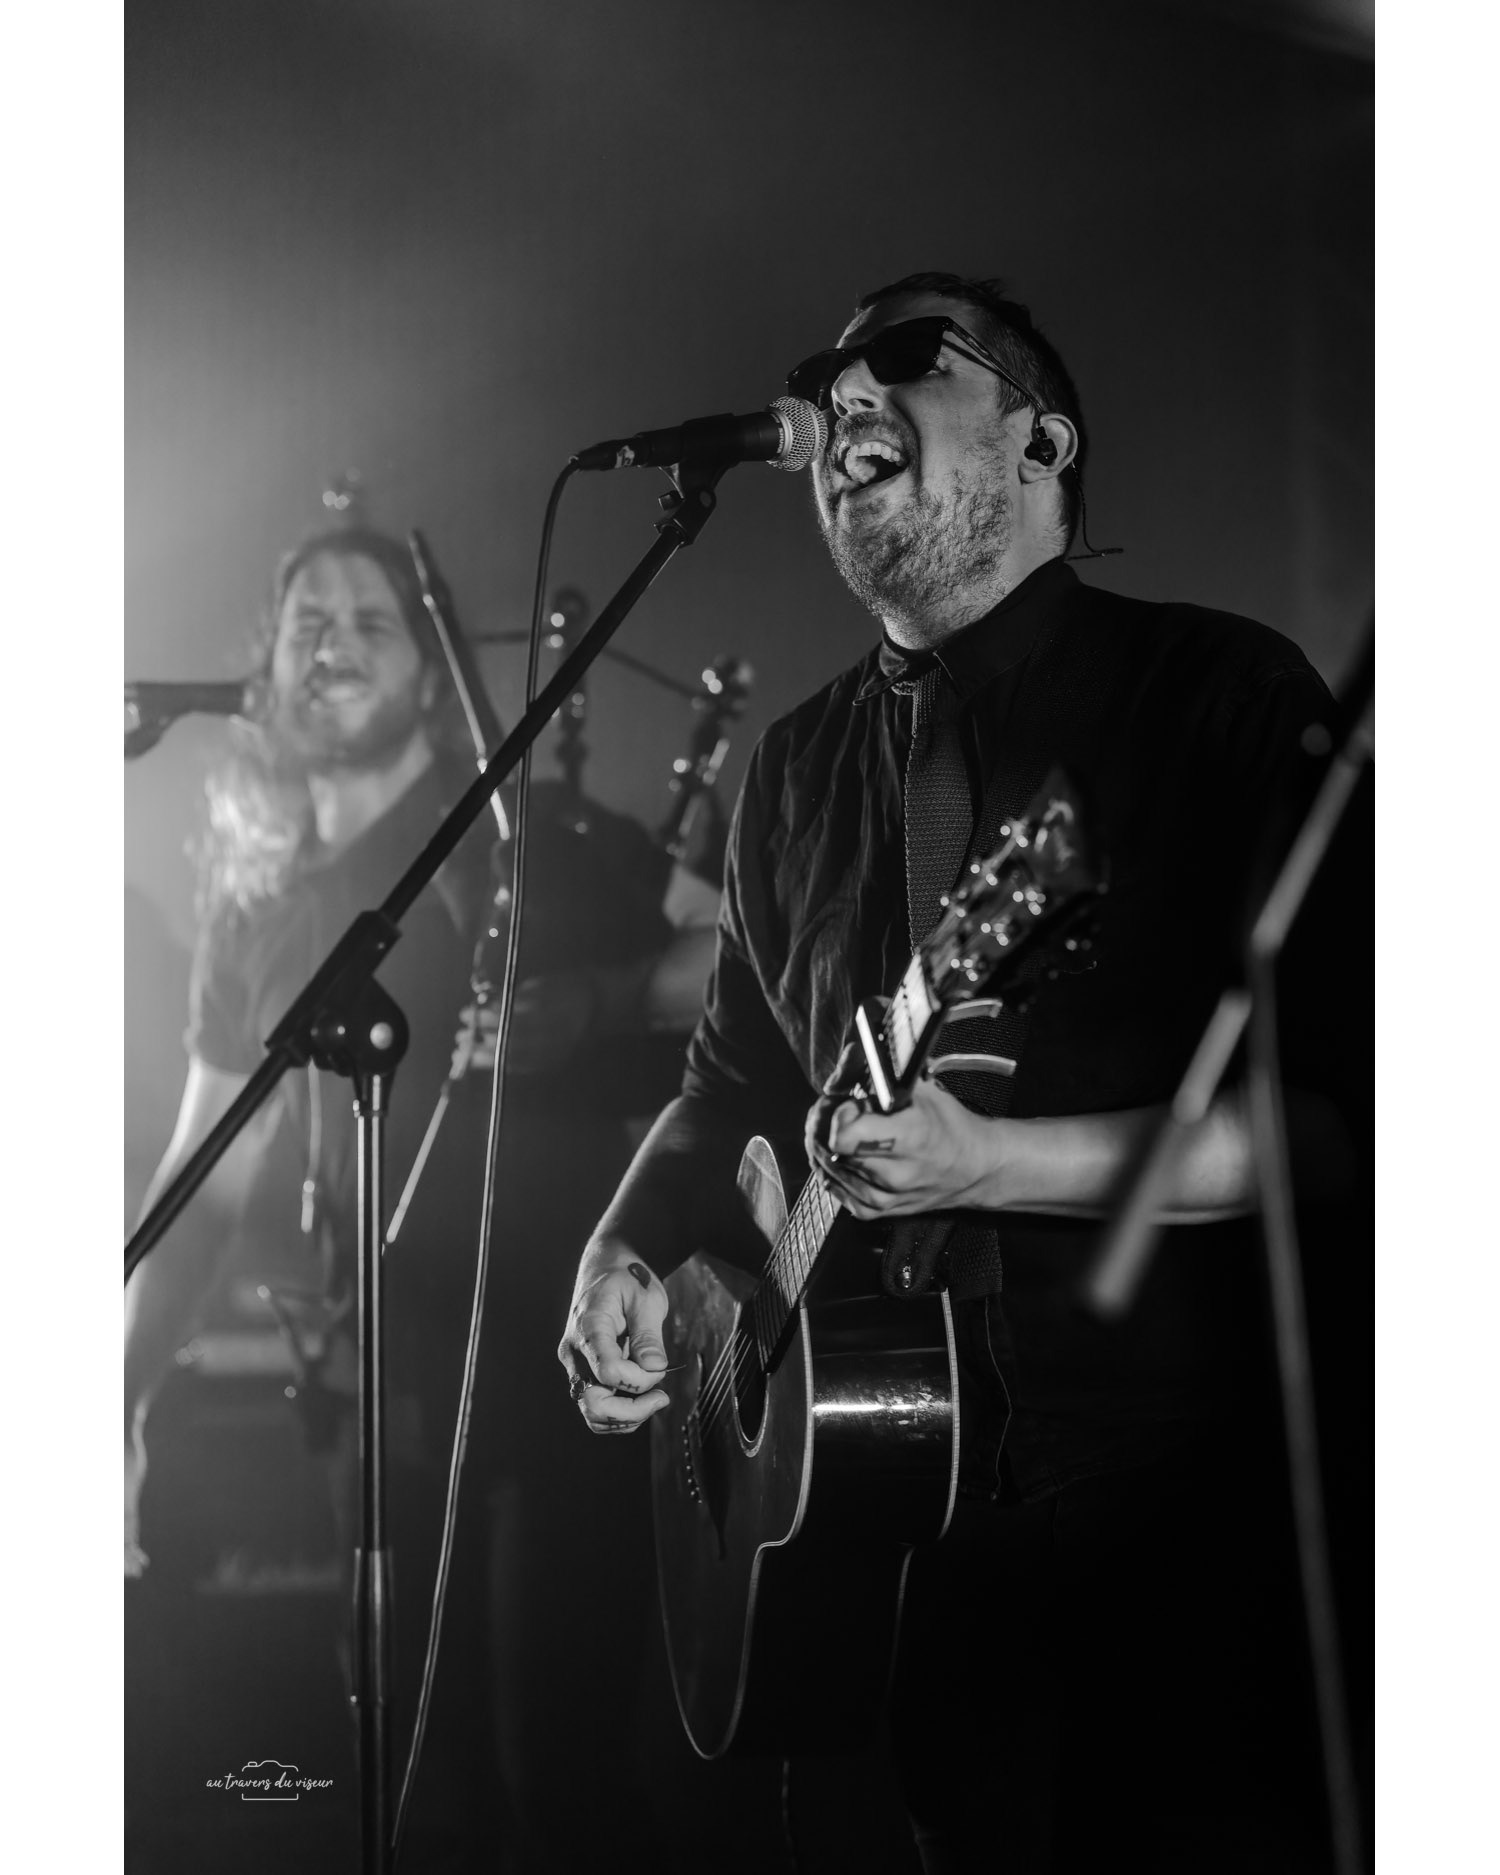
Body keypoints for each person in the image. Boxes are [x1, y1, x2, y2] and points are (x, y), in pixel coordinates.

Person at [558, 273, 1370, 1872]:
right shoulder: (796, 769)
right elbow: (726, 1086)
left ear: (1041, 442)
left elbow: (1348, 1127)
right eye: (824, 376)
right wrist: (620, 1247)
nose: (842, 395)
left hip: (1182, 1529)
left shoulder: (1213, 695)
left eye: (901, 359)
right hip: (882, 1550)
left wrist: (1004, 1165)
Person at [124, 520, 718, 1864]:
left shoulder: (532, 836)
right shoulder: (259, 904)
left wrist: (602, 998)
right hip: (379, 1397)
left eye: (369, 622)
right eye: (307, 625)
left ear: (428, 670)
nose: (332, 645)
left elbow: (737, 945)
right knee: (410, 1791)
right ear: (269, 668)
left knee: (560, 1788)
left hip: (556, 1380)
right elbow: (204, 1177)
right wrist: (122, 1393)